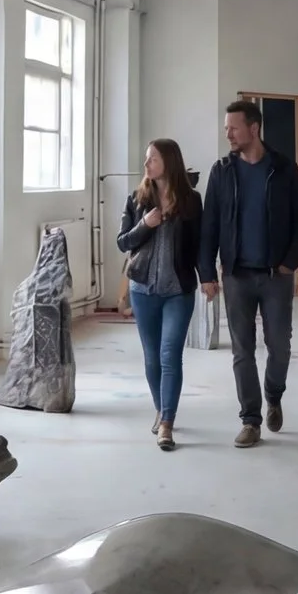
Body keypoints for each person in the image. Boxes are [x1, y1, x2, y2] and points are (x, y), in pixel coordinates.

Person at [198, 99, 298, 448]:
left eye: (233, 128)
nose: (228, 134)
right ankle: (250, 420)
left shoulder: (284, 168)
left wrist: (291, 261)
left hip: (276, 275)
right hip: (236, 275)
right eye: (226, 128)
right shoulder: (221, 171)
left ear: (254, 128)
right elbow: (210, 225)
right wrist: (207, 273)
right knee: (242, 351)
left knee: (280, 346)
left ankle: (273, 393)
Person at [118, 138, 202, 451]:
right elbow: (123, 242)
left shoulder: (191, 201)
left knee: (170, 355)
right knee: (152, 358)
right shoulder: (137, 199)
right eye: (146, 158)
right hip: (142, 290)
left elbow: (198, 246)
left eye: (152, 158)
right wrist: (145, 224)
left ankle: (167, 422)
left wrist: (207, 278)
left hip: (178, 290)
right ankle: (160, 406)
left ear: (169, 161)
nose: (146, 164)